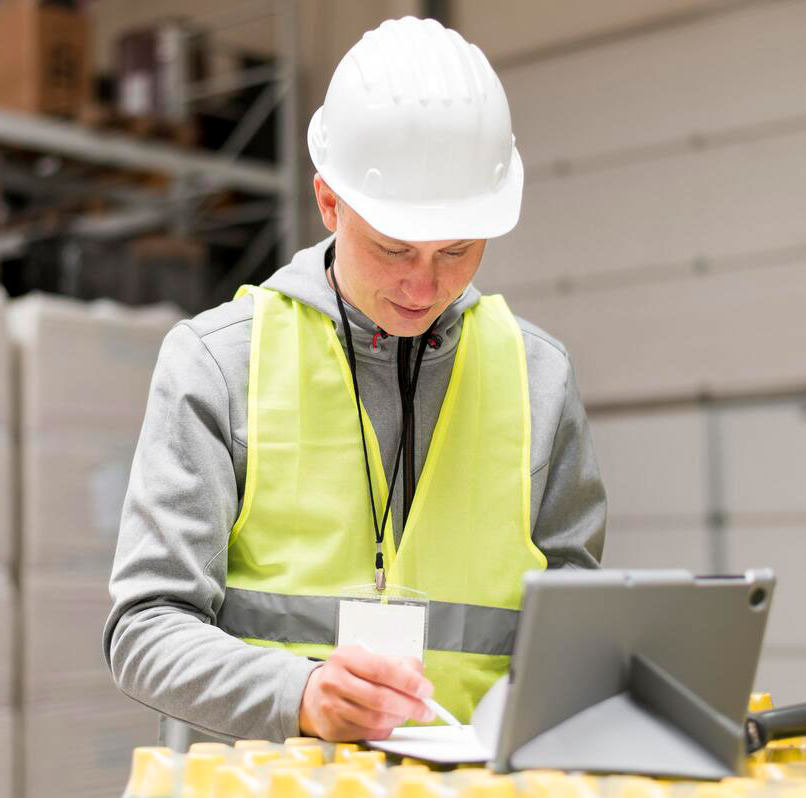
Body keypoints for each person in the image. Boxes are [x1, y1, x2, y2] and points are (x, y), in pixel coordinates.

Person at [103, 16, 606, 744]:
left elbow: (582, 634)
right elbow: (143, 630)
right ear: (329, 202)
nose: (422, 284)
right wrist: (298, 694)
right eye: (395, 247)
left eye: (458, 250)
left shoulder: (539, 379)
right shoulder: (219, 363)